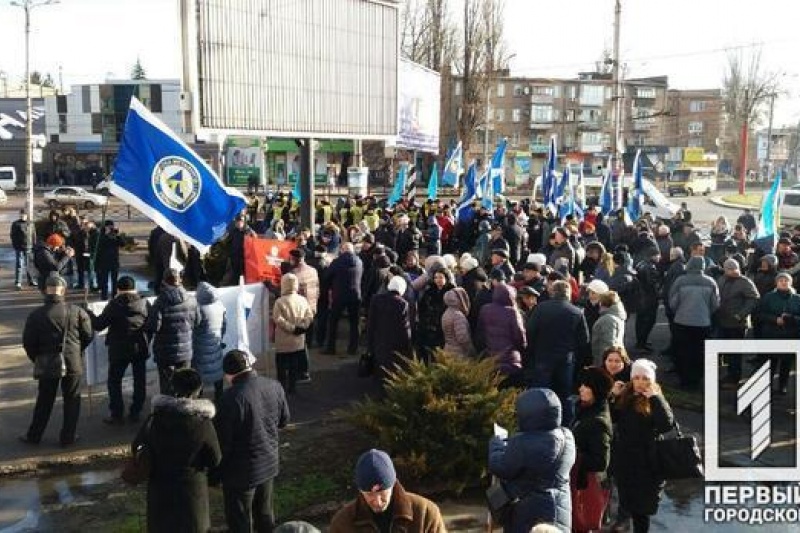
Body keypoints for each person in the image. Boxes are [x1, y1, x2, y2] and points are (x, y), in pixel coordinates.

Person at [134, 368, 221, 533]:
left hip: (159, 489)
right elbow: (215, 458)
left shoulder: (155, 419)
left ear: (172, 387)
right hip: (192, 491)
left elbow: (136, 446)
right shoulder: (202, 423)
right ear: (198, 389)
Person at [216, 350, 290, 533]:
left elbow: (223, 443)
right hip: (269, 464)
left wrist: (215, 473)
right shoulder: (274, 386)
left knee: (240, 521)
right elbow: (284, 420)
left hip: (240, 473)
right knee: (265, 516)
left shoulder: (229, 399)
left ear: (228, 374)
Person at [488, 388, 576, 532]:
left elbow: (501, 467)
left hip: (530, 511)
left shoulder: (523, 442)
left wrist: (497, 443)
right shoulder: (567, 436)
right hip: (560, 506)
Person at [20, 274, 93, 446]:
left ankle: (34, 436)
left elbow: (28, 343)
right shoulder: (77, 311)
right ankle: (68, 437)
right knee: (72, 399)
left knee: (44, 400)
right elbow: (88, 335)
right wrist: (77, 351)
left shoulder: (36, 315)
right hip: (73, 360)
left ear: (46, 291)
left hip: (47, 362)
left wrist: (37, 358)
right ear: (64, 290)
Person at [609, 359, 674, 533]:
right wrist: (613, 396)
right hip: (625, 461)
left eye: (645, 378)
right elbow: (611, 418)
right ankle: (623, 523)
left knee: (641, 511)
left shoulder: (655, 399)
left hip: (647, 464)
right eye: (636, 378)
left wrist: (655, 398)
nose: (640, 382)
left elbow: (666, 425)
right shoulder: (626, 395)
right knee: (626, 500)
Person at [329, 449, 446, 533]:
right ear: (360, 491)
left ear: (393, 484)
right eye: (369, 494)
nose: (378, 501)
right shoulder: (342, 523)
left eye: (383, 493)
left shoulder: (426, 514)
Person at [525, 280, 590, 424]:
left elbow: (529, 331)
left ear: (552, 292)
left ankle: (540, 422)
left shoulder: (541, 308)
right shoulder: (576, 312)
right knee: (564, 394)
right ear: (568, 294)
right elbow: (584, 340)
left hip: (543, 356)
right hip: (565, 359)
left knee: (541, 393)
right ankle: (566, 424)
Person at [89, 275, 150, 424]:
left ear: (118, 289)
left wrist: (89, 313)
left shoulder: (114, 305)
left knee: (114, 381)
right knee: (139, 380)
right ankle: (136, 411)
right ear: (134, 288)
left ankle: (117, 413)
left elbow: (98, 325)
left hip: (119, 349)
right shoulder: (144, 303)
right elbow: (151, 324)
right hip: (140, 346)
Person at [145, 268, 202, 395]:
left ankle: (168, 412)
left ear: (165, 282)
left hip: (165, 352)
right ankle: (184, 410)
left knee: (167, 386)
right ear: (180, 280)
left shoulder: (160, 302)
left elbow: (154, 327)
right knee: (185, 385)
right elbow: (198, 321)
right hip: (186, 350)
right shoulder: (192, 300)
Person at [571, 367, 614, 532]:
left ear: (597, 389)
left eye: (586, 385)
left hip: (584, 485)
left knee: (581, 523)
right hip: (578, 480)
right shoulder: (587, 409)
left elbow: (601, 461)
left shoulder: (598, 422)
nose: (581, 388)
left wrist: (573, 455)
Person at [668, 256, 720, 390]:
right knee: (699, 352)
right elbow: (715, 304)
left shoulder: (680, 281)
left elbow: (673, 302)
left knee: (682, 350)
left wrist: (680, 311)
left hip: (682, 321)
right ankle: (696, 379)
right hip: (703, 323)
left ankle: (684, 379)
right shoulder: (710, 282)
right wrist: (705, 313)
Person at [715, 259, 759, 389]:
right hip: (722, 321)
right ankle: (724, 375)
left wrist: (741, 314)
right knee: (722, 350)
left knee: (735, 352)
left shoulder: (745, 282)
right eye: (729, 269)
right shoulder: (721, 280)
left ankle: (734, 377)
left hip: (737, 324)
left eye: (734, 269)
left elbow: (754, 298)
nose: (732, 271)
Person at [755, 272, 800, 395]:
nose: (784, 282)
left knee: (786, 363)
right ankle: (766, 386)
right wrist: (774, 319)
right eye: (781, 280)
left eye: (786, 280)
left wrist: (791, 318)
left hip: (790, 336)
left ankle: (783, 386)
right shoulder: (769, 297)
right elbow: (760, 314)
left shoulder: (797, 299)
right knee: (770, 363)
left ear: (790, 282)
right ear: (777, 283)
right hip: (771, 334)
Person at [477, 283, 527, 388]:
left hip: (491, 359)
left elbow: (480, 334)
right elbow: (520, 337)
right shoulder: (512, 312)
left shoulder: (485, 309)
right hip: (511, 360)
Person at [272, 273, 314, 394]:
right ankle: (292, 388)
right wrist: (302, 327)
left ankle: (281, 389)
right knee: (294, 366)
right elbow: (309, 315)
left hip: (283, 342)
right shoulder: (302, 300)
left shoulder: (279, 302)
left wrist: (291, 328)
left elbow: (278, 319)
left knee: (281, 367)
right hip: (298, 340)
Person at [366, 275, 413, 380]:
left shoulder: (376, 299)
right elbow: (405, 326)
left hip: (379, 337)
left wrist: (369, 342)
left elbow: (371, 322)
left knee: (379, 363)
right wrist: (408, 344)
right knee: (392, 366)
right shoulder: (402, 304)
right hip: (395, 340)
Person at [324, 242, 363, 355]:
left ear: (342, 250)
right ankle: (353, 348)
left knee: (333, 321)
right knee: (354, 323)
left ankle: (331, 348)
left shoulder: (337, 262)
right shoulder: (359, 261)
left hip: (339, 295)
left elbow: (327, 276)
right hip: (355, 295)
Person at [192, 281, 227, 403]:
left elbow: (194, 327)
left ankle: (199, 401)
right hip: (216, 343)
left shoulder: (198, 309)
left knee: (199, 375)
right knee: (217, 371)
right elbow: (224, 325)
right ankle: (220, 398)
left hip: (200, 346)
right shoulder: (220, 305)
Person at [416, 268, 454, 363]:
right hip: (427, 328)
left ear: (446, 278)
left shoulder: (451, 292)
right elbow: (422, 308)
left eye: (441, 277)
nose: (438, 280)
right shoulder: (429, 291)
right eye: (436, 277)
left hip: (442, 329)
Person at [591, 291, 627, 364]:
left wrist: (606, 362)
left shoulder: (607, 319)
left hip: (605, 360)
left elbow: (609, 343)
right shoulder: (617, 314)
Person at [94, 219, 125, 300]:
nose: (111, 228)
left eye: (112, 226)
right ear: (105, 226)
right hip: (103, 262)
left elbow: (122, 244)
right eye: (109, 226)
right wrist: (106, 234)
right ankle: (104, 297)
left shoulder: (115, 234)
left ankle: (114, 296)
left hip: (114, 261)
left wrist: (117, 235)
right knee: (104, 281)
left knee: (115, 281)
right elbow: (99, 245)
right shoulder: (100, 234)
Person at [441, 287, 475, 359]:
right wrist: (472, 351)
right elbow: (463, 338)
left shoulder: (446, 313)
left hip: (448, 351)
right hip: (459, 355)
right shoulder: (458, 316)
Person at [10, 209, 35, 289]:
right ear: (19, 215)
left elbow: (34, 235)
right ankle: (18, 282)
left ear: (26, 215)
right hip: (19, 247)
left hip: (29, 246)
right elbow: (13, 236)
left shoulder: (30, 223)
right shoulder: (15, 224)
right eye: (21, 214)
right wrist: (15, 245)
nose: (22, 216)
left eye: (24, 214)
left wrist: (34, 245)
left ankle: (31, 280)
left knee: (29, 264)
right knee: (19, 265)